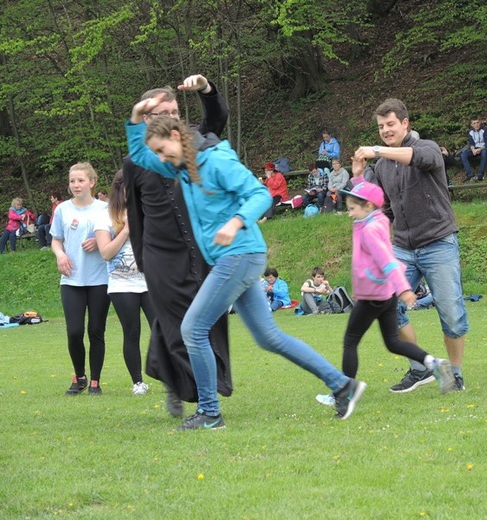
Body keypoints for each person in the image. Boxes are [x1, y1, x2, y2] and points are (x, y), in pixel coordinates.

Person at [126, 95, 366, 428]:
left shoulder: (216, 162)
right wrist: (136, 117)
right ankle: (342, 386)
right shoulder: (179, 167)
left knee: (193, 329)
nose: (160, 158)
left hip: (239, 254)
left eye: (163, 149)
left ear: (178, 138)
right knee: (269, 337)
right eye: (158, 153)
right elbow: (138, 155)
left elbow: (260, 195)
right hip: (235, 258)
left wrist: (235, 222)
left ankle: (210, 412)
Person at [123, 74, 232, 417]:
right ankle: (198, 393)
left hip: (200, 251)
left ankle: (177, 380)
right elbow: (135, 215)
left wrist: (206, 89)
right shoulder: (136, 161)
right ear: (147, 119)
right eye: (160, 112)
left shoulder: (193, 145)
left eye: (174, 109)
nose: (170, 116)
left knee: (205, 321)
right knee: (173, 325)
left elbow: (217, 119)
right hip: (160, 256)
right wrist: (142, 259)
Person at [353, 98, 469, 393]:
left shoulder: (427, 148)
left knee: (452, 314)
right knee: (387, 305)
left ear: (406, 123)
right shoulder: (382, 167)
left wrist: (378, 150)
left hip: (438, 242)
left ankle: (454, 375)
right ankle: (420, 368)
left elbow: (420, 159)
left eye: (391, 124)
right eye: (381, 127)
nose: (386, 130)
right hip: (403, 247)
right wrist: (357, 174)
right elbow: (378, 206)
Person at [315, 182, 455, 406]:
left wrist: (405, 289)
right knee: (392, 342)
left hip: (373, 294)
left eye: (352, 209)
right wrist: (359, 177)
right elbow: (367, 197)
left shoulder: (370, 230)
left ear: (368, 206)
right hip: (385, 294)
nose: (349, 213)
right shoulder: (377, 219)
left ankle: (343, 392)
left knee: (350, 341)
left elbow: (387, 261)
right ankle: (433, 363)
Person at [50, 163, 110, 395]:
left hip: (99, 280)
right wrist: (60, 254)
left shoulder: (105, 208)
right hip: (71, 281)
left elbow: (115, 239)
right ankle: (80, 377)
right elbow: (56, 239)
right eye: (72, 181)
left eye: (80, 180)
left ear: (92, 183)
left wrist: (99, 241)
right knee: (74, 332)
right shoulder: (63, 209)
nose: (75, 185)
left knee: (96, 331)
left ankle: (95, 381)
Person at [94, 171, 155, 395]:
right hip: (122, 285)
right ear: (122, 186)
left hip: (150, 282)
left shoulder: (147, 210)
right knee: (132, 332)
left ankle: (170, 375)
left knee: (162, 329)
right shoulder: (105, 215)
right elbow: (106, 253)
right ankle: (138, 382)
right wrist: (127, 229)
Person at [459, 117, 487, 182]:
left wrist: (480, 149)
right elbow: (471, 143)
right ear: (471, 125)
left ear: (480, 122)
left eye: (477, 122)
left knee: (484, 152)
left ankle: (480, 175)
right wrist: (473, 150)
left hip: (486, 148)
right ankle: (470, 175)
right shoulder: (470, 132)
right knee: (463, 155)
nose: (476, 124)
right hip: (476, 148)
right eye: (474, 123)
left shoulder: (485, 129)